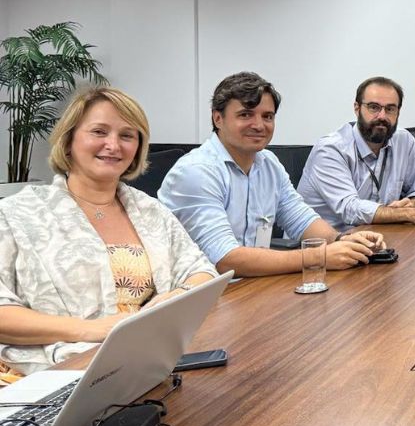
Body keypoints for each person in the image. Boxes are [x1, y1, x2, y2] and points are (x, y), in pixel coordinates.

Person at [0, 87, 217, 374]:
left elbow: (202, 271)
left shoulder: (150, 211)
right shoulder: (15, 214)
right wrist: (90, 329)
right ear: (68, 141)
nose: (113, 145)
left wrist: (176, 296)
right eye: (99, 132)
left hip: (142, 368)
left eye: (127, 136)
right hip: (47, 375)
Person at [159, 72, 385, 277]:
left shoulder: (268, 164)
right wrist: (319, 257)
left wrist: (344, 241)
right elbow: (225, 259)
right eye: (245, 115)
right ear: (218, 119)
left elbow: (301, 219)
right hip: (198, 295)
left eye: (267, 116)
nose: (259, 125)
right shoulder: (196, 172)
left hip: (250, 285)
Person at [298, 76, 415, 228]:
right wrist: (406, 214)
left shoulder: (404, 140)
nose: (382, 116)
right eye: (374, 107)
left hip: (380, 232)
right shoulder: (330, 150)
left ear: (398, 112)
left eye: (390, 109)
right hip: (329, 239)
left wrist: (412, 205)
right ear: (357, 108)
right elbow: (350, 208)